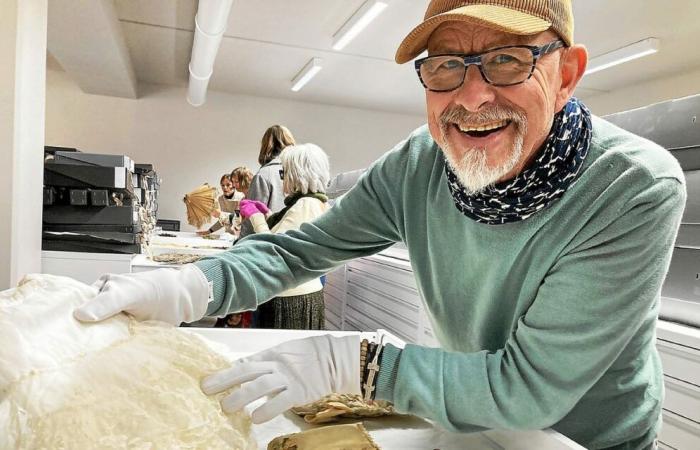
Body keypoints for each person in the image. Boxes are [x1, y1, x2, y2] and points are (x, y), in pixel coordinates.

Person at [73, 1, 686, 448]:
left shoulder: (631, 188)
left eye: (506, 61)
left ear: (567, 75)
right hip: (470, 417)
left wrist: (359, 365)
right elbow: (298, 251)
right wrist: (192, 286)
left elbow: (529, 388)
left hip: (579, 439)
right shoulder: (419, 163)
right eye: (446, 66)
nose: (471, 98)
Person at [240, 143, 330, 330]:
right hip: (298, 293)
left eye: (284, 173)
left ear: (298, 174)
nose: (283, 180)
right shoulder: (312, 202)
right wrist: (269, 216)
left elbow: (273, 251)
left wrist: (255, 218)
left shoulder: (305, 204)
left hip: (290, 299)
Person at [238, 125, 296, 239]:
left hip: (269, 243)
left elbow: (252, 216)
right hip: (295, 242)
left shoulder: (264, 174)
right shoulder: (300, 174)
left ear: (266, 145)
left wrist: (239, 244)